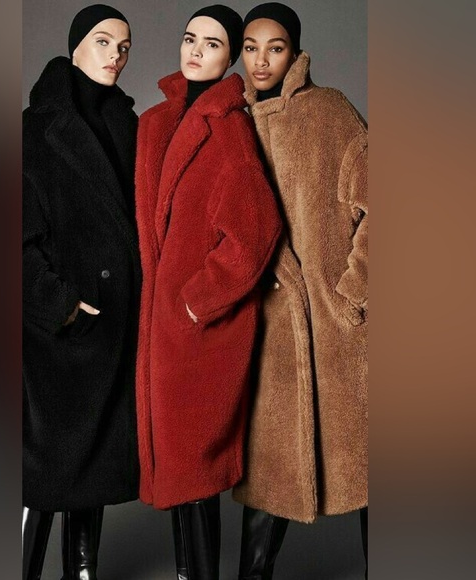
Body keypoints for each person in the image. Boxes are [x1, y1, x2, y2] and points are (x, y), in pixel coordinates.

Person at [134, 5, 282, 579]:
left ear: (230, 57)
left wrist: (196, 301)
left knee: (193, 469)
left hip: (199, 332)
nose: (195, 51)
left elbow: (257, 230)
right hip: (160, 327)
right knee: (175, 469)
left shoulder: (230, 129)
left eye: (213, 44)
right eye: (190, 38)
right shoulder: (156, 122)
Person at [232, 3, 368, 579]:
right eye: (251, 47)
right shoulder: (231, 121)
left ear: (295, 53)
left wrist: (352, 293)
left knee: (368, 466)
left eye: (276, 47)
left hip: (339, 330)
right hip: (266, 328)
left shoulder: (331, 112)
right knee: (271, 470)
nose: (261, 60)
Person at [22, 5, 141, 579]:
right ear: (75, 48)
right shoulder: (34, 129)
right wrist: (61, 305)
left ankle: (82, 572)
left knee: (93, 469)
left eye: (124, 46)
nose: (115, 55)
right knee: (43, 472)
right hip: (61, 333)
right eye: (102, 41)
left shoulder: (129, 125)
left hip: (116, 326)